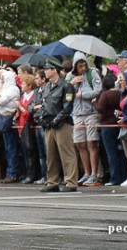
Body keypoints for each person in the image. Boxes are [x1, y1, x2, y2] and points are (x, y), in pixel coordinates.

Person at [40, 61, 78, 192]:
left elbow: (67, 107)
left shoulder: (66, 86)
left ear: (54, 70)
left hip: (62, 124)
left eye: (46, 69)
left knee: (67, 153)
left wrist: (56, 120)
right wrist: (43, 119)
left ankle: (71, 182)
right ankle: (52, 181)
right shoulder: (47, 87)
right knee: (51, 155)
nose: (44, 71)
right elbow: (44, 105)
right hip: (49, 124)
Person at [65, 52, 102, 187]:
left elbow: (98, 90)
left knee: (92, 142)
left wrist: (83, 95)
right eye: (80, 66)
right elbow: (66, 96)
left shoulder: (92, 73)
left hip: (90, 112)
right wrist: (71, 84)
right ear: (75, 66)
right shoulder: (69, 76)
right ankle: (86, 173)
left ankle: (94, 173)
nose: (83, 68)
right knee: (80, 143)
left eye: (84, 64)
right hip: (77, 113)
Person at [94, 73, 127, 186]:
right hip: (119, 124)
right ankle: (124, 176)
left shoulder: (105, 95)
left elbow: (100, 108)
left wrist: (94, 102)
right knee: (121, 152)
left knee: (111, 153)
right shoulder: (119, 93)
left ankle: (114, 178)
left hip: (107, 125)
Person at [0, 69, 20, 183]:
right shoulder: (5, 89)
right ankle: (9, 172)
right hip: (3, 118)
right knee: (7, 148)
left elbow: (1, 101)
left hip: (9, 119)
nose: (2, 81)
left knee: (11, 147)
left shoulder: (13, 89)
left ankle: (13, 173)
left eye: (4, 78)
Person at [16, 74, 40, 184]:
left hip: (29, 126)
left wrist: (20, 107)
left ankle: (32, 174)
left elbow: (28, 113)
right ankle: (27, 172)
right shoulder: (22, 97)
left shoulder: (33, 96)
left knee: (31, 151)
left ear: (29, 85)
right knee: (24, 152)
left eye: (24, 84)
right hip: (21, 126)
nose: (21, 85)